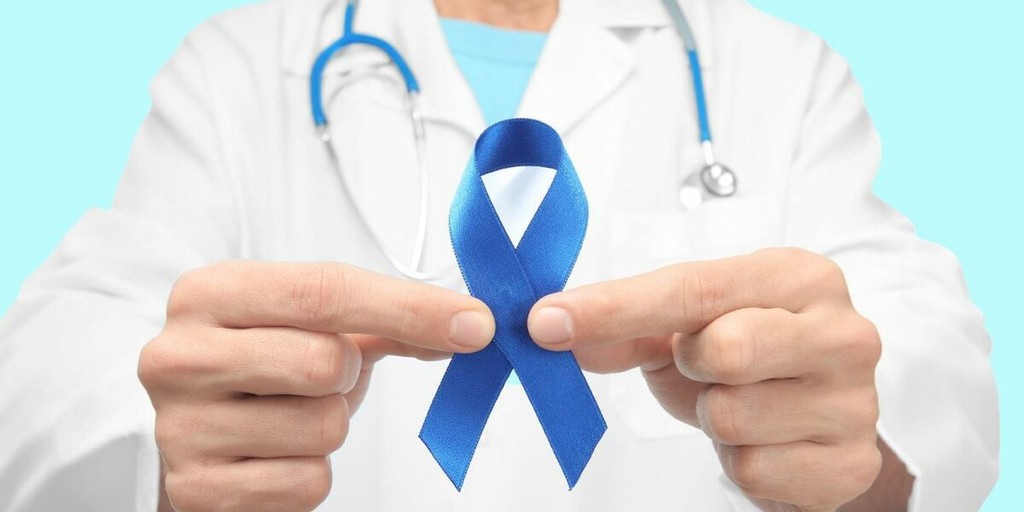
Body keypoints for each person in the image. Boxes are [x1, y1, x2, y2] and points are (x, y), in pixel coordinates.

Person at [0, 0, 999, 510]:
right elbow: (57, 366)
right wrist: (166, 452)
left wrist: (850, 449)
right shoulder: (238, 68)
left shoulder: (778, 73)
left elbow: (927, 372)